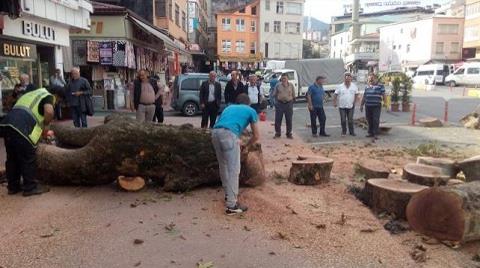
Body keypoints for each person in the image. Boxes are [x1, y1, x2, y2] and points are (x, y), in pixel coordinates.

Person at [0, 87, 56, 196]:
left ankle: (13, 187)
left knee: (12, 158)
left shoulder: (29, 95)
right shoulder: (47, 96)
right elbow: (49, 111)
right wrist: (46, 125)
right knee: (28, 157)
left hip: (6, 125)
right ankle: (30, 187)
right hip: (21, 128)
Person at [212, 93, 259, 215]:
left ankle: (228, 195)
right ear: (248, 103)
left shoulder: (229, 108)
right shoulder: (251, 110)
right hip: (229, 135)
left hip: (215, 133)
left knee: (223, 166)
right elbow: (256, 136)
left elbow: (228, 122)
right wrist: (246, 146)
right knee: (234, 170)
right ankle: (232, 205)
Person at [360, 73, 386, 140]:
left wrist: (385, 103)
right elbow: (364, 96)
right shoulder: (367, 87)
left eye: (372, 78)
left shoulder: (380, 86)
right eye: (369, 79)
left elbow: (384, 95)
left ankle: (375, 134)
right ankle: (370, 133)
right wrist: (361, 105)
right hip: (368, 106)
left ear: (376, 78)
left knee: (375, 120)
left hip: (376, 106)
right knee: (369, 120)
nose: (370, 80)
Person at [334, 72, 359, 137]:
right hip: (342, 106)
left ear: (351, 78)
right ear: (344, 79)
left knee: (350, 120)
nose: (347, 79)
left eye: (349, 78)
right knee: (343, 120)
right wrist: (334, 102)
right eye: (346, 78)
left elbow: (356, 94)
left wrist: (355, 101)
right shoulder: (340, 86)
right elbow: (335, 94)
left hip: (351, 106)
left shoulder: (354, 86)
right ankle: (344, 131)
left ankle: (351, 132)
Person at [272, 73, 295, 139]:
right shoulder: (278, 85)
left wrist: (292, 102)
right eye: (282, 78)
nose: (283, 79)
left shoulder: (291, 85)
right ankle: (278, 133)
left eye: (285, 78)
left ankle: (289, 133)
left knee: (289, 119)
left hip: (289, 104)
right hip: (280, 104)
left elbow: (293, 95)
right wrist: (275, 103)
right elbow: (274, 94)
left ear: (287, 79)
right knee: (278, 119)